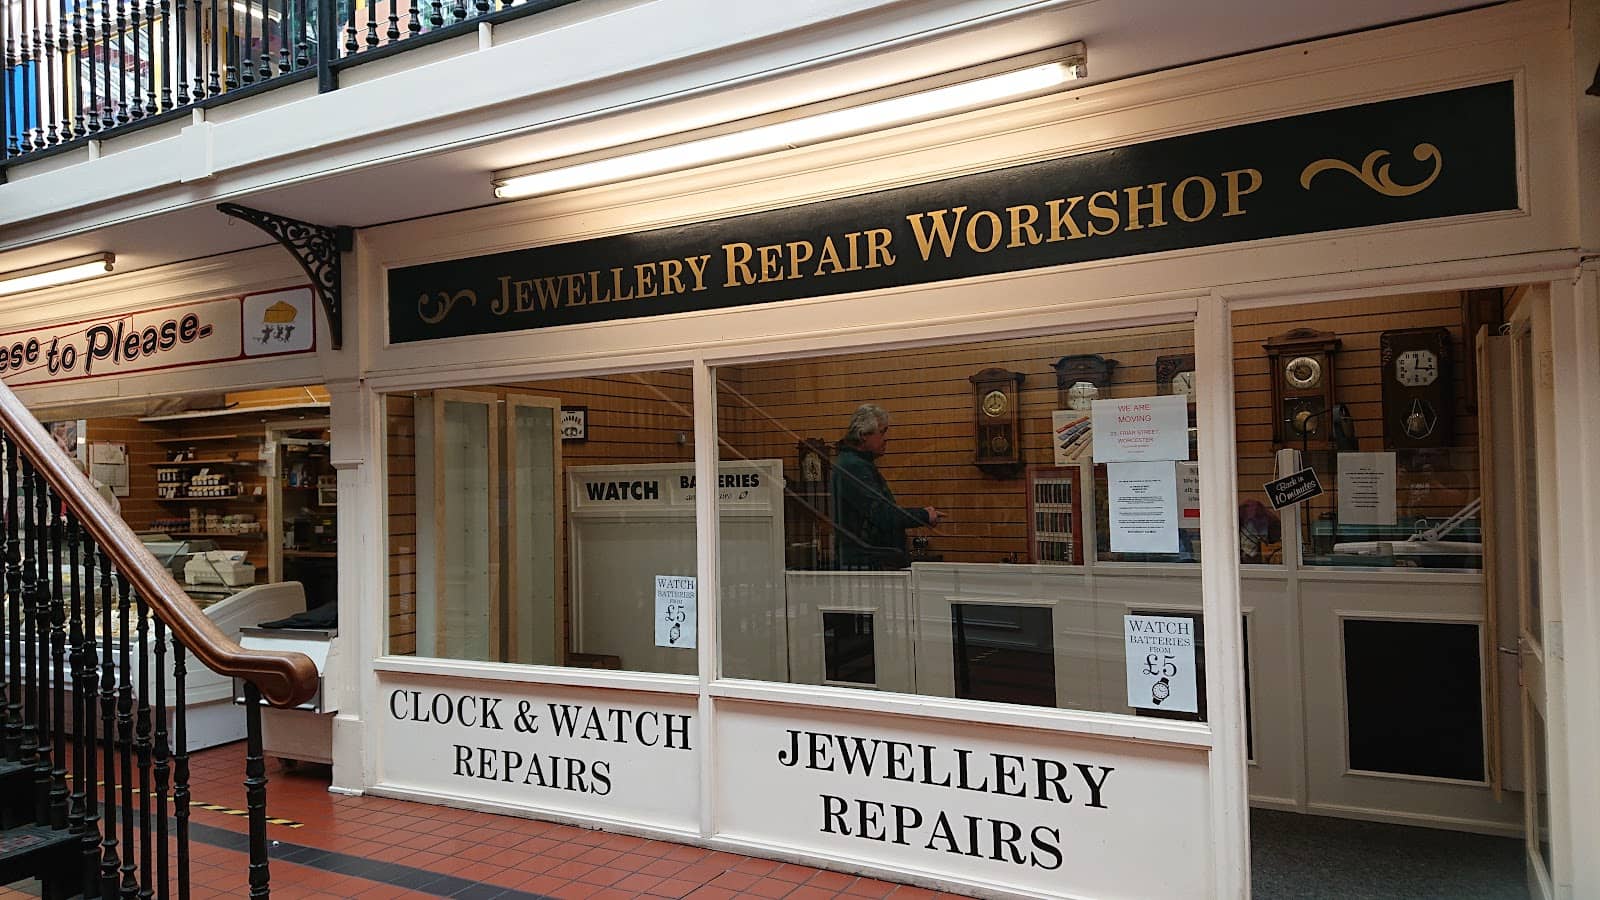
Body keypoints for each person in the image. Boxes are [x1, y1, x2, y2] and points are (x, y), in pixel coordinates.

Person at [831, 404, 945, 570]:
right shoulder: (853, 467)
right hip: (867, 566)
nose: (886, 438)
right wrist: (923, 515)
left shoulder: (856, 464)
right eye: (882, 432)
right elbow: (881, 514)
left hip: (869, 562)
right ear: (863, 435)